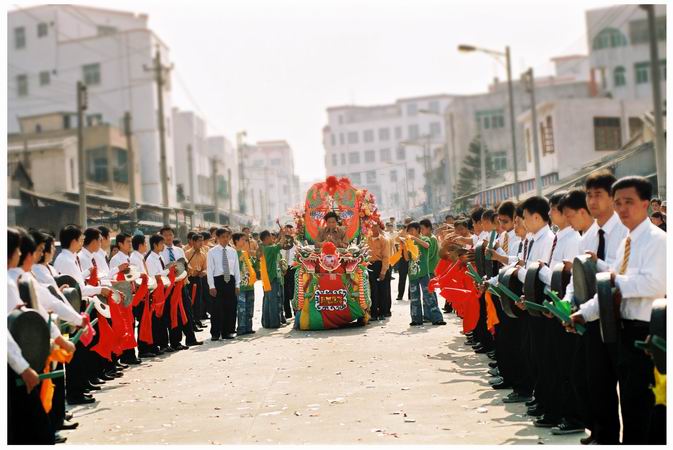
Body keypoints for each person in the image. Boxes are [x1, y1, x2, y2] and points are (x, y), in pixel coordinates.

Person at [568, 176, 666, 444]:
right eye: (619, 202)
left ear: (646, 203)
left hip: (647, 333)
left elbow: (656, 283)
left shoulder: (658, 240)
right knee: (631, 406)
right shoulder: (628, 242)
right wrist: (584, 313)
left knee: (645, 411)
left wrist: (615, 281)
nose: (622, 208)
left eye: (629, 202)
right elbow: (608, 288)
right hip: (624, 331)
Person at [7, 227, 57, 445]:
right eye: (18, 249)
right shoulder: (11, 281)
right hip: (11, 367)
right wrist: (23, 368)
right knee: (34, 432)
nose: (21, 254)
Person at [405, 222, 445, 326]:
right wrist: (404, 246)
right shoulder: (409, 243)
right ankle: (416, 319)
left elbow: (426, 245)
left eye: (412, 230)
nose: (410, 233)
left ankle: (437, 318)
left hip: (424, 273)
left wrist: (414, 239)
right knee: (414, 298)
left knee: (429, 296)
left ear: (418, 230)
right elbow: (406, 258)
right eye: (408, 231)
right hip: (413, 274)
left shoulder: (425, 239)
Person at [207, 228, 241, 340]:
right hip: (218, 281)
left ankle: (227, 332)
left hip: (230, 281)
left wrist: (237, 285)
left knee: (230, 307)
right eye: (222, 237)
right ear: (217, 238)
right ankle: (215, 333)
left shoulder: (233, 251)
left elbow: (236, 269)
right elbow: (210, 270)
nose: (225, 239)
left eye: (227, 236)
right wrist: (211, 286)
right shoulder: (212, 252)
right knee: (216, 308)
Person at [145, 233, 174, 353]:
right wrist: (167, 270)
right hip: (156, 292)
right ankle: (157, 344)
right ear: (155, 245)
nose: (163, 246)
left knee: (164, 319)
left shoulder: (160, 256)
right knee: (157, 320)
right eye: (161, 243)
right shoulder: (150, 259)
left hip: (163, 290)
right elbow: (153, 276)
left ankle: (164, 344)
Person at [257, 230, 284, 329]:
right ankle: (274, 323)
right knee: (273, 300)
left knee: (267, 300)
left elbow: (276, 244)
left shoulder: (264, 248)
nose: (272, 239)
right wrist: (284, 235)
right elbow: (280, 245)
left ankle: (266, 322)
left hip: (266, 277)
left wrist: (280, 235)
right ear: (267, 238)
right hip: (272, 277)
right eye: (270, 237)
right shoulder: (269, 249)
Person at [233, 232, 256, 335]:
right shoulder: (232, 253)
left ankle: (248, 327)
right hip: (240, 285)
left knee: (250, 306)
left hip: (249, 284)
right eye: (243, 239)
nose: (245, 241)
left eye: (245, 240)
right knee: (241, 308)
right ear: (236, 241)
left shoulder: (245, 253)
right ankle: (241, 328)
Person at [366, 221, 390, 321]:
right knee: (372, 290)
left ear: (379, 227)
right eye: (371, 226)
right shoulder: (367, 239)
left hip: (379, 265)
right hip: (369, 265)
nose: (373, 228)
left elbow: (386, 257)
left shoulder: (384, 240)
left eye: (375, 226)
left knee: (382, 290)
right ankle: (373, 313)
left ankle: (383, 312)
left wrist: (383, 272)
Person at [185, 233, 208, 331]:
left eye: (202, 241)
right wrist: (191, 271)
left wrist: (203, 272)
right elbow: (184, 266)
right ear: (193, 242)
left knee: (198, 300)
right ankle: (192, 323)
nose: (201, 243)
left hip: (199, 279)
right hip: (189, 279)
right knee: (191, 301)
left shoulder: (203, 254)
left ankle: (197, 320)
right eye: (199, 241)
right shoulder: (187, 253)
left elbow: (206, 267)